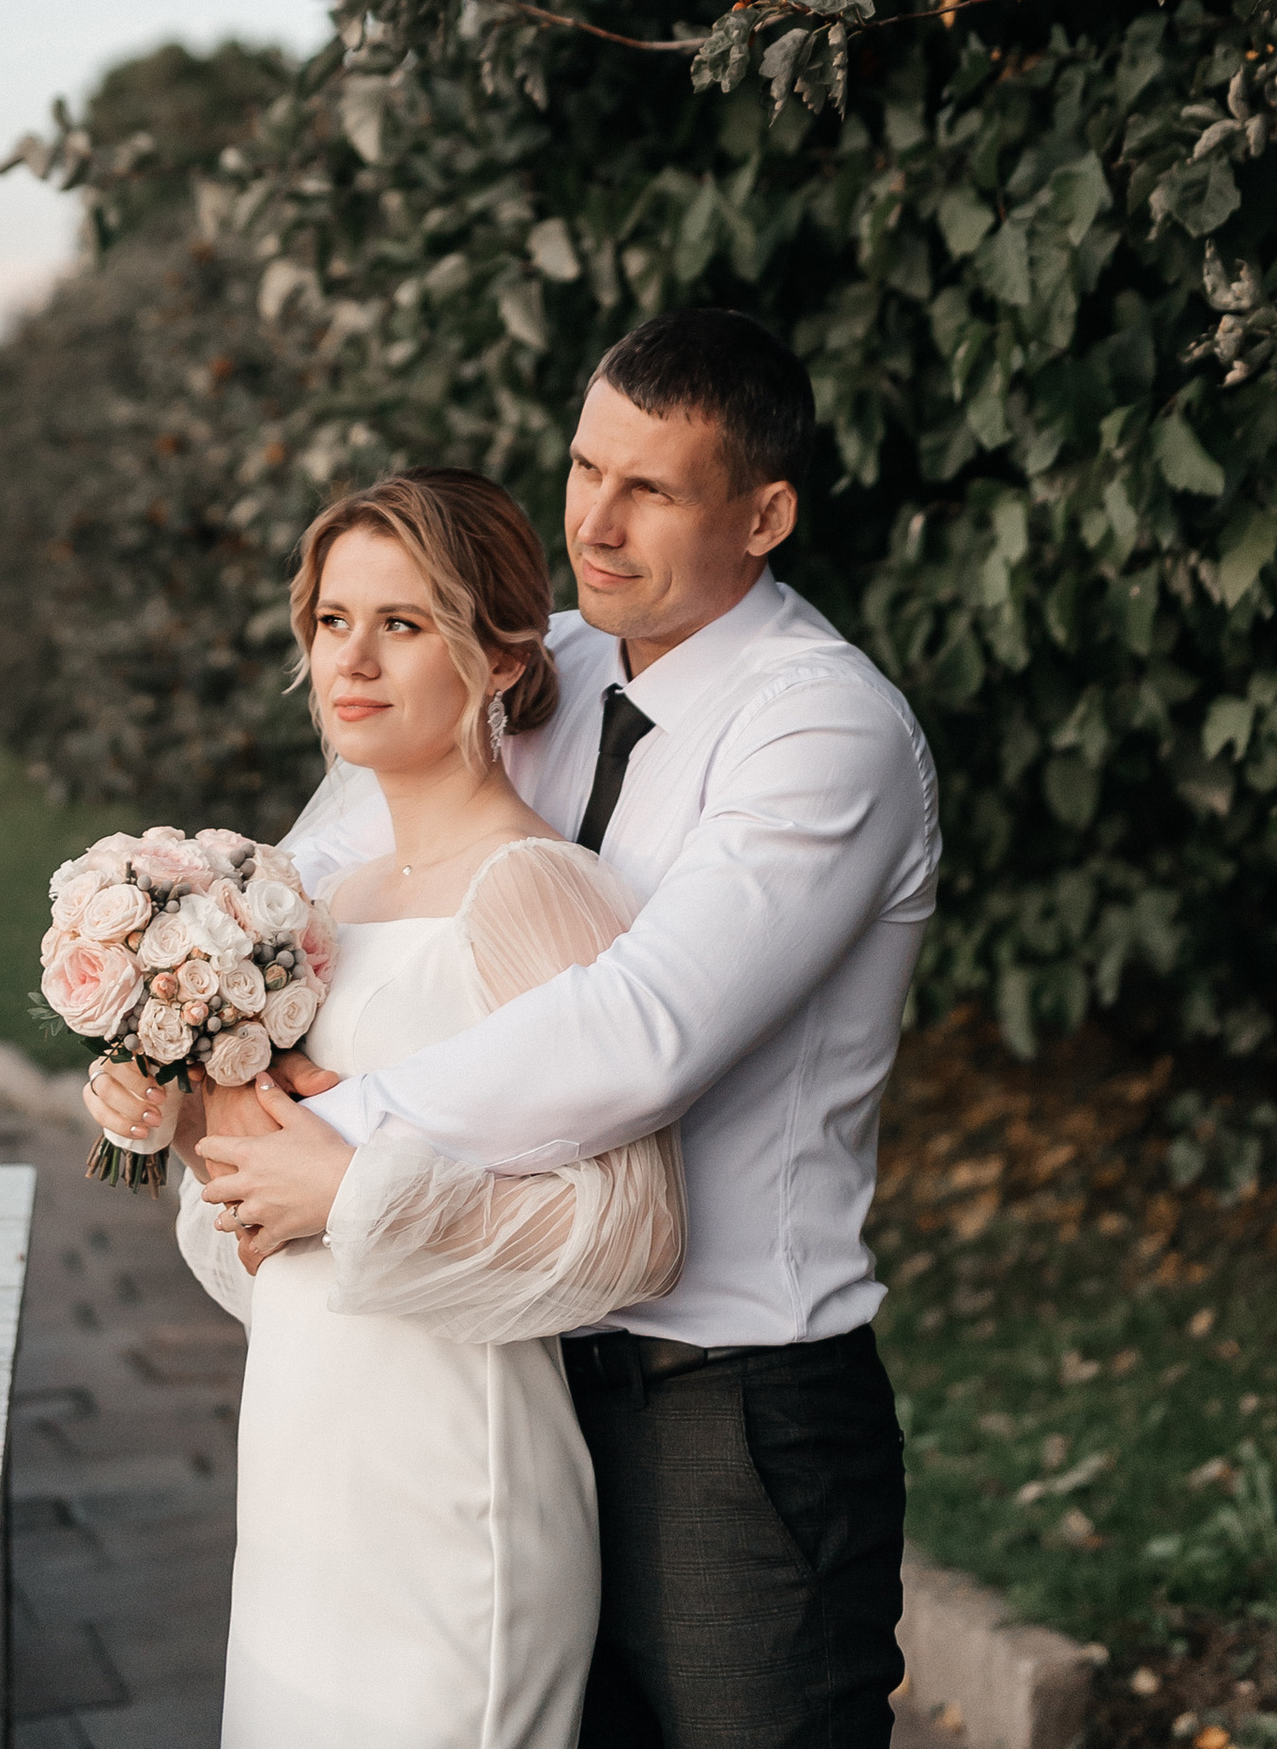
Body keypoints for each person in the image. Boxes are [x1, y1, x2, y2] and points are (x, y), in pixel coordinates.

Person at [193, 302, 939, 1749]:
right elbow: (307, 890)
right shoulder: (552, 669)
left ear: (765, 511)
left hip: (721, 1401)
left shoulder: (822, 728)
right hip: (497, 1368)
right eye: (585, 464)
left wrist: (338, 1142)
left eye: (649, 486)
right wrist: (191, 1017)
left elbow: (641, 1026)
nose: (592, 521)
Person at [90, 468, 686, 1749]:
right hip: (303, 1460)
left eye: (403, 622)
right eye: (329, 620)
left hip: (454, 1480)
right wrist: (187, 1128)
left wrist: (351, 1191)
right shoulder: (311, 909)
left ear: (500, 656)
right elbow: (269, 1231)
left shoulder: (537, 890)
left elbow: (631, 1228)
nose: (350, 659)